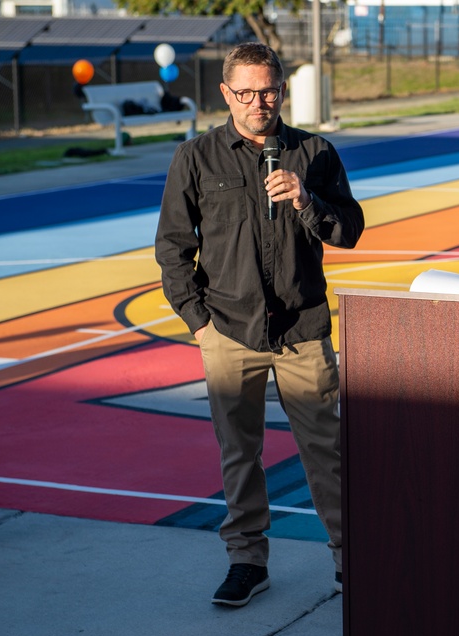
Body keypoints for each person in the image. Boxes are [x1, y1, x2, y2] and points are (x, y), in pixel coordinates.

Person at [155, 42, 364, 607]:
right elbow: (173, 249)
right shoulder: (196, 158)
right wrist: (200, 326)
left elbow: (349, 229)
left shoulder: (315, 151)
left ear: (281, 90)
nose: (257, 102)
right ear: (226, 94)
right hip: (228, 330)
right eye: (244, 92)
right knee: (238, 451)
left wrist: (306, 200)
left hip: (302, 330)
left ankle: (354, 560)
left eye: (267, 90)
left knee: (328, 451)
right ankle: (247, 560)